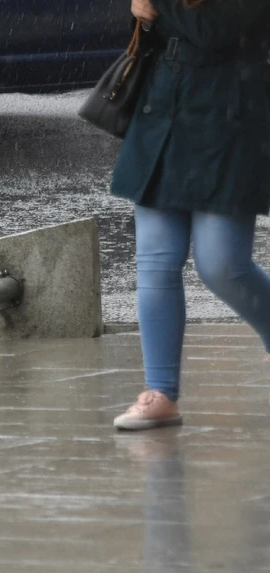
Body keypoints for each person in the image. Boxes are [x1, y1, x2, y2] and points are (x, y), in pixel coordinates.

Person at [111, 0, 270, 430]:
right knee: (156, 260)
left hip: (231, 116)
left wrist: (156, 4)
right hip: (164, 107)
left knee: (222, 265)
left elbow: (216, 30)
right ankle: (159, 393)